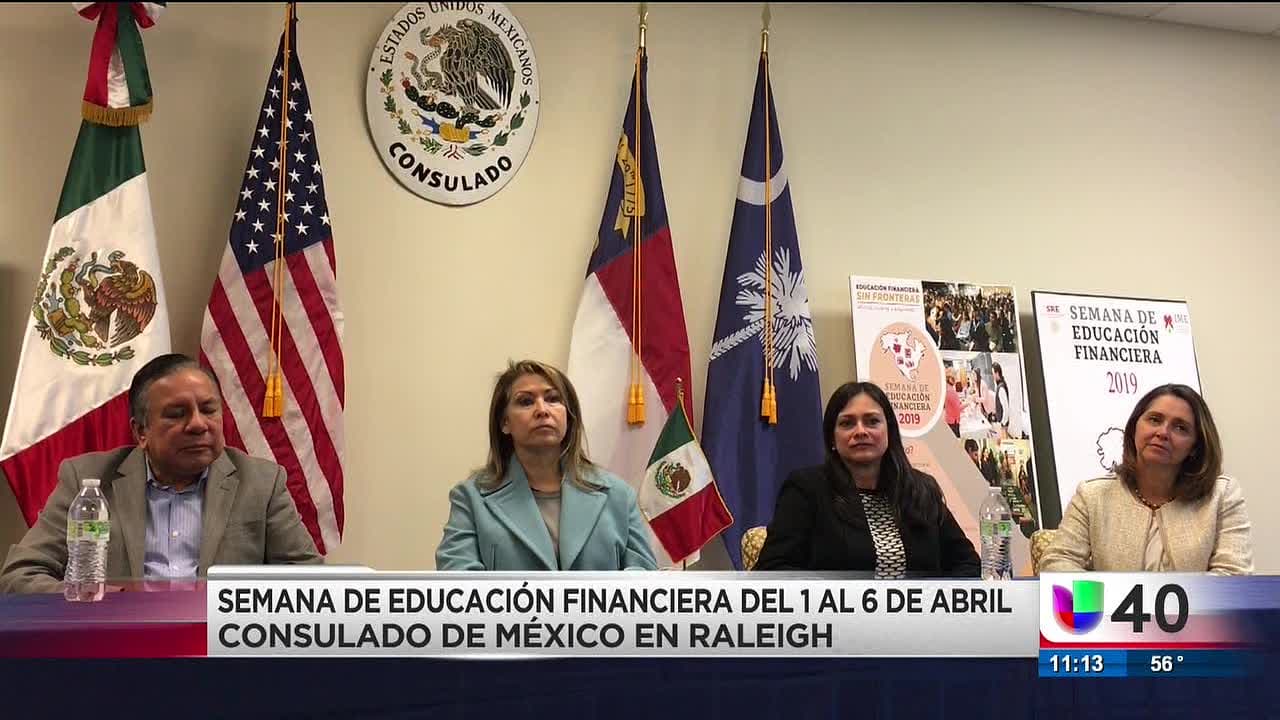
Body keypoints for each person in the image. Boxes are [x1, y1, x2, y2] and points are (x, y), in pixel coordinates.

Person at [0, 354, 321, 594]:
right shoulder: (87, 480)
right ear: (141, 432)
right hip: (120, 646)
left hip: (220, 649)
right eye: (177, 414)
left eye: (209, 410)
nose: (198, 424)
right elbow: (20, 576)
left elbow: (311, 584)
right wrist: (96, 600)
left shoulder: (261, 483)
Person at [435, 360, 656, 571]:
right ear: (504, 422)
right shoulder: (471, 499)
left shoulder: (618, 496)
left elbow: (645, 582)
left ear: (569, 416)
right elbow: (458, 582)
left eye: (553, 399)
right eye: (526, 401)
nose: (542, 410)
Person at [754, 381, 979, 577]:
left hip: (920, 613)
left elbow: (968, 564)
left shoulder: (922, 489)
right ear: (832, 438)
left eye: (872, 421)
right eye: (847, 423)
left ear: (889, 431)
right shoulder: (806, 490)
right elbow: (773, 569)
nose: (861, 431)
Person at [1040, 384, 1253, 575]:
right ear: (1134, 428)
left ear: (1195, 447)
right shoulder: (1092, 495)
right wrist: (1107, 600)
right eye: (1154, 420)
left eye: (1180, 427)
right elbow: (1056, 563)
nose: (1163, 433)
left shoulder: (1221, 496)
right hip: (1107, 608)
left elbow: (1234, 577)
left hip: (1198, 610)